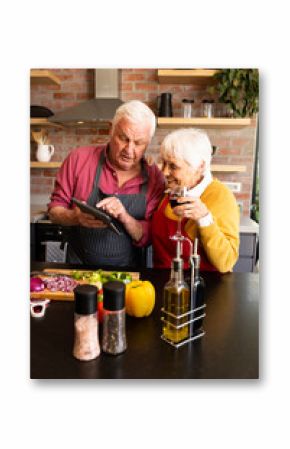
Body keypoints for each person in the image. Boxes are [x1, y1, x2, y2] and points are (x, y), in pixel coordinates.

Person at [48, 100, 165, 267]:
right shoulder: (79, 159)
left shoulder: (155, 178)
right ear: (111, 129)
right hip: (78, 270)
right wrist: (76, 217)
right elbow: (54, 211)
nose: (129, 150)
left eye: (139, 143)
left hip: (130, 277)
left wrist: (125, 217)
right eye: (123, 138)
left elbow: (150, 235)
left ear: (148, 142)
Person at [151, 128, 240, 272]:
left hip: (202, 288)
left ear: (200, 166)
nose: (164, 172)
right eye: (164, 163)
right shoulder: (170, 191)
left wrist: (204, 218)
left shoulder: (221, 196)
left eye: (173, 166)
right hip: (165, 285)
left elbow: (226, 262)